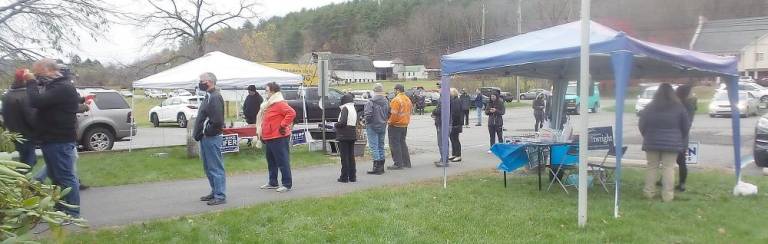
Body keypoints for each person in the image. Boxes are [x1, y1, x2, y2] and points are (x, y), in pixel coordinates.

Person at [25, 59, 81, 217]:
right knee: (56, 178)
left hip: (59, 140)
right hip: (51, 139)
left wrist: (30, 82)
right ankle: (61, 207)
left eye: (38, 74)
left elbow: (36, 101)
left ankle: (72, 212)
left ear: (49, 71)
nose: (37, 77)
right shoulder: (56, 86)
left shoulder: (62, 87)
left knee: (65, 177)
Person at [638, 83, 689, 202]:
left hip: (651, 141)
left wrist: (647, 135)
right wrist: (679, 137)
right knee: (669, 168)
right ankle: (667, 195)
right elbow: (686, 126)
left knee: (652, 167)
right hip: (672, 143)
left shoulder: (650, 107)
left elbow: (642, 124)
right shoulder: (679, 107)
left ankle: (648, 193)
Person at [193, 72, 227, 206]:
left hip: (211, 138)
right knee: (208, 167)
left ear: (209, 82)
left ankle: (220, 195)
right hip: (206, 138)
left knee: (215, 167)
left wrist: (207, 132)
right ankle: (215, 191)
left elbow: (217, 120)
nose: (200, 83)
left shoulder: (215, 97)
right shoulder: (208, 96)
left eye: (201, 80)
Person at [256, 82, 296, 192]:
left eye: (267, 91)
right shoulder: (268, 104)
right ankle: (273, 182)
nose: (265, 93)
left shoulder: (279, 103)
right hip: (269, 136)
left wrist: (283, 125)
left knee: (282, 161)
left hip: (279, 136)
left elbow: (291, 113)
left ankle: (287, 184)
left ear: (273, 92)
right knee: (271, 161)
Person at [3, 69, 38, 169]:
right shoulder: (25, 95)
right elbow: (31, 116)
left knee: (27, 160)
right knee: (28, 163)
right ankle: (22, 182)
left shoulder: (8, 95)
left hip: (14, 133)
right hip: (26, 134)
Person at [675, 84, 697, 192]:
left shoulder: (681, 105)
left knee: (672, 160)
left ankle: (681, 183)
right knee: (680, 160)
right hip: (683, 135)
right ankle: (682, 183)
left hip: (677, 134)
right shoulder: (690, 104)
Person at [364, 83, 389, 175]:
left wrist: (367, 123)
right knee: (381, 145)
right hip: (382, 125)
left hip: (372, 126)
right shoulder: (386, 101)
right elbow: (389, 113)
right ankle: (381, 167)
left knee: (374, 147)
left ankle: (376, 167)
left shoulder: (370, 102)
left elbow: (368, 115)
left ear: (374, 91)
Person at [387, 84, 412, 170]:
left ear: (397, 90)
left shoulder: (396, 100)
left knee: (395, 144)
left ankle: (398, 163)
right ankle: (406, 162)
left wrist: (390, 122)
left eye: (394, 90)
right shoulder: (408, 99)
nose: (394, 92)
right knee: (402, 143)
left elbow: (393, 114)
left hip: (395, 125)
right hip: (404, 124)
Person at [334, 93, 358, 183]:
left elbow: (343, 122)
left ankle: (344, 177)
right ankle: (352, 177)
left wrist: (336, 125)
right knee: (351, 157)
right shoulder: (353, 108)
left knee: (344, 157)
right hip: (352, 133)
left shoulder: (345, 108)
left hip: (344, 134)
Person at [449, 88, 464, 162]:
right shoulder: (453, 100)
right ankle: (454, 154)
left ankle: (458, 155)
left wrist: (453, 122)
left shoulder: (456, 101)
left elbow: (456, 113)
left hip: (456, 123)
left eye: (450, 92)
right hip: (454, 123)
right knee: (452, 139)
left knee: (455, 139)